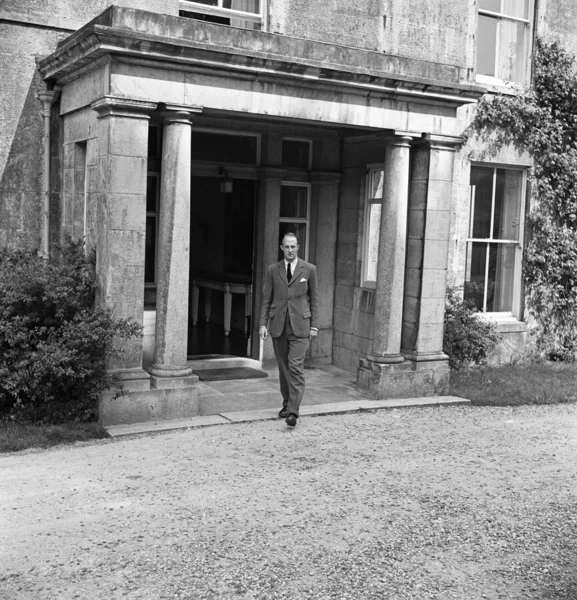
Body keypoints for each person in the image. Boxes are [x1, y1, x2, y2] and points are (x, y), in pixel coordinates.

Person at [259, 233, 319, 427]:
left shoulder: (309, 270)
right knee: (284, 369)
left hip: (301, 326)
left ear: (298, 247)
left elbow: (315, 299)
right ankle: (286, 403)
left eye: (293, 246)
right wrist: (262, 324)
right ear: (281, 248)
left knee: (295, 367)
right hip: (279, 325)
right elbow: (266, 298)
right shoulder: (272, 270)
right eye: (287, 247)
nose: (290, 250)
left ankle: (293, 411)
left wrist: (315, 325)